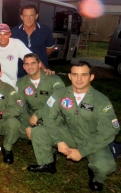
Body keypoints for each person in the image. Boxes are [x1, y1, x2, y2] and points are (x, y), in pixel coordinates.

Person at [27, 61, 119, 191]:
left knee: (104, 166)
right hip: (69, 134)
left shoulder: (101, 101)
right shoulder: (60, 94)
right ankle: (47, 163)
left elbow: (109, 131)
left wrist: (82, 151)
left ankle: (96, 177)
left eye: (84, 75)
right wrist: (60, 141)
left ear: (91, 77)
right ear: (70, 76)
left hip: (92, 139)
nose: (79, 79)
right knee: (39, 132)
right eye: (75, 75)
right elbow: (48, 117)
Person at [0, 23, 53, 88]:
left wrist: (44, 69)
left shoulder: (16, 43)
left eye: (5, 34)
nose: (2, 37)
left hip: (11, 85)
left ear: (10, 34)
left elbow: (32, 58)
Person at [16, 53, 65, 140]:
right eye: (26, 64)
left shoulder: (54, 80)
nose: (30, 67)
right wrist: (27, 125)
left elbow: (57, 102)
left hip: (53, 116)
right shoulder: (21, 83)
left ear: (39, 64)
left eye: (33, 63)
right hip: (32, 117)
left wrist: (38, 115)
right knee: (15, 129)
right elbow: (21, 106)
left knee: (48, 133)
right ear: (23, 67)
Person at [11, 4, 55, 78]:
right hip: (20, 74)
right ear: (21, 17)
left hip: (40, 72)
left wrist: (39, 56)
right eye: (25, 16)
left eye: (31, 15)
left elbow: (50, 48)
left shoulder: (45, 30)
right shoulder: (14, 31)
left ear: (36, 16)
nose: (28, 19)